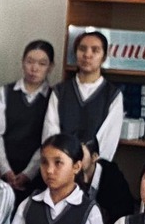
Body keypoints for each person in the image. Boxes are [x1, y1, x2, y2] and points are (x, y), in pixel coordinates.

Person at [44, 30, 125, 163]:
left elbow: (109, 139)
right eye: (82, 49)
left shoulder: (113, 95)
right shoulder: (60, 91)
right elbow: (50, 132)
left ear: (104, 57)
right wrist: (62, 162)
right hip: (61, 165)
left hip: (94, 166)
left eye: (95, 50)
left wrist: (91, 165)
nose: (87, 55)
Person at [0, 39, 54, 192]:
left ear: (51, 67)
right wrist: (5, 169)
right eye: (29, 61)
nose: (34, 68)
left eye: (42, 64)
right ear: (22, 63)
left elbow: (49, 140)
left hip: (39, 170)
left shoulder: (53, 97)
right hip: (3, 169)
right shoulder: (5, 92)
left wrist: (28, 173)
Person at [81, 134, 135, 224]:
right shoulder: (71, 174)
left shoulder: (113, 178)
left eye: (81, 156)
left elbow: (122, 214)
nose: (75, 160)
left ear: (94, 157)